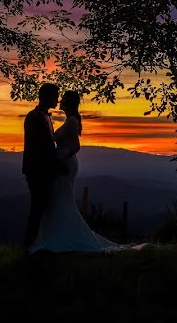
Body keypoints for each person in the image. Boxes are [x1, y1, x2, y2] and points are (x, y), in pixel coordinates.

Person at [27, 89, 148, 253]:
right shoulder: (56, 119)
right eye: (57, 97)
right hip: (58, 165)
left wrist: (62, 158)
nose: (59, 101)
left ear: (67, 103)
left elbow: (75, 146)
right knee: (58, 200)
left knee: (60, 199)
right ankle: (54, 235)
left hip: (64, 165)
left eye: (61, 99)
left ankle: (56, 237)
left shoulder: (70, 121)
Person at [22, 82, 63, 252]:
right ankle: (30, 246)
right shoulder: (33, 117)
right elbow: (39, 147)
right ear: (46, 96)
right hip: (37, 170)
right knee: (37, 208)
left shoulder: (46, 117)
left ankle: (38, 244)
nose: (57, 99)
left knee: (42, 207)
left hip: (44, 170)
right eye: (55, 95)